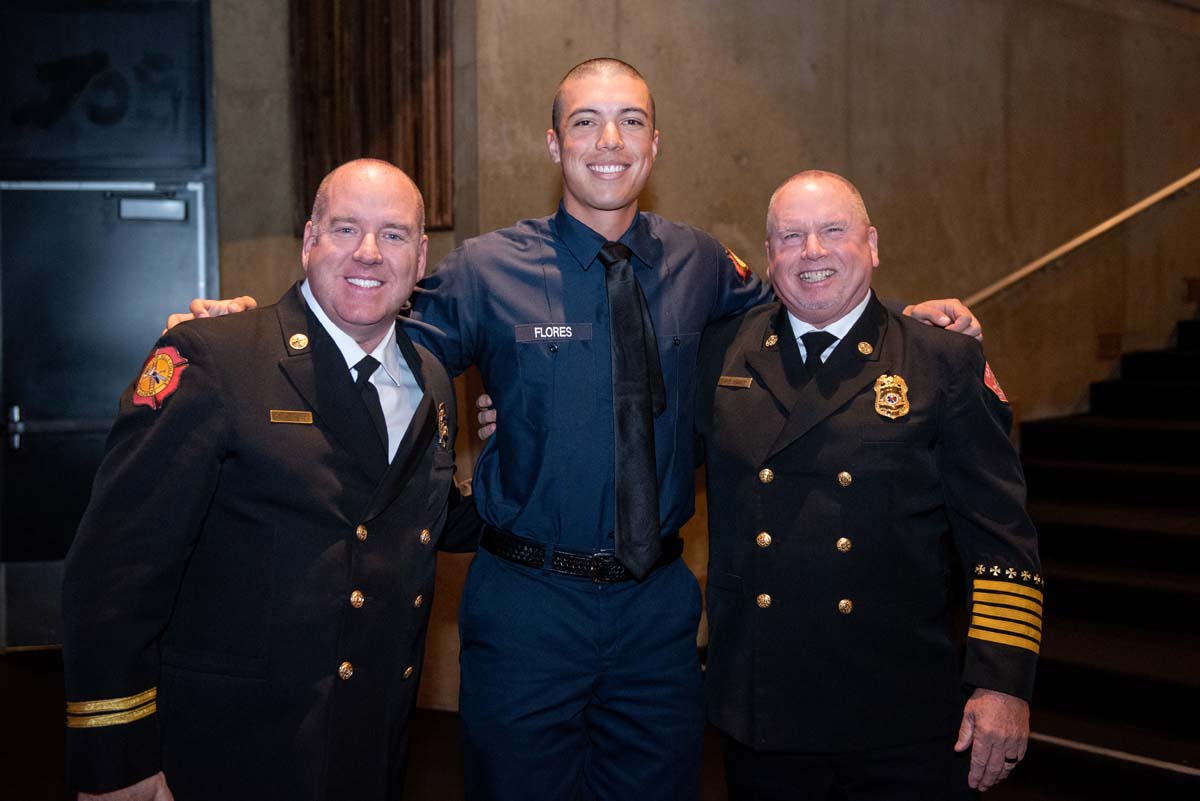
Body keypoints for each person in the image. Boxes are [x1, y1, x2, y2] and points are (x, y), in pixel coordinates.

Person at [181, 60, 981, 800]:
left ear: (655, 145)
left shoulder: (702, 261)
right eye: (588, 121)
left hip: (657, 613)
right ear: (553, 142)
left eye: (631, 122)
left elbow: (809, 300)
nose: (609, 142)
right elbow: (364, 317)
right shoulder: (486, 270)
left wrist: (913, 335)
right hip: (528, 604)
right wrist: (251, 331)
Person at [62, 159, 479, 801]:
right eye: (346, 229)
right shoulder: (215, 357)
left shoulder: (429, 378)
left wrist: (527, 450)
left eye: (393, 235)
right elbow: (115, 572)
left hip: (370, 746)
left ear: (420, 257)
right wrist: (117, 763)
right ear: (310, 239)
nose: (368, 253)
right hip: (229, 752)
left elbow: (422, 516)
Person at [694, 171, 1041, 800]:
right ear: (770, 256)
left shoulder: (941, 359)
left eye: (833, 231)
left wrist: (1002, 683)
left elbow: (1001, 538)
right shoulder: (721, 353)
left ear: (873, 244)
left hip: (900, 712)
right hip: (763, 708)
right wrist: (514, 415)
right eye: (791, 236)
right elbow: (641, 449)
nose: (813, 252)